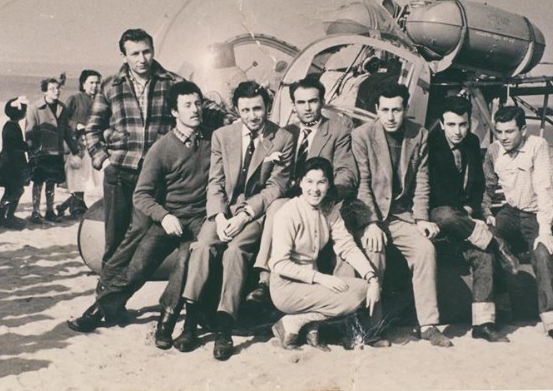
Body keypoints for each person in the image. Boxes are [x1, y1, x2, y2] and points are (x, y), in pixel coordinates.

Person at [67, 82, 213, 348]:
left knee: (184, 263)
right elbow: (142, 195)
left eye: (198, 103)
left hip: (201, 221)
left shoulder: (213, 142)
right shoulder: (161, 148)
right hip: (169, 217)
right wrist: (165, 216)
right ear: (173, 111)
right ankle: (99, 311)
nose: (195, 110)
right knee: (137, 267)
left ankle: (165, 323)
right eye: (187, 105)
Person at [175, 81, 293, 361]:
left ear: (267, 107)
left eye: (258, 109)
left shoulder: (283, 139)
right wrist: (218, 216)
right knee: (202, 246)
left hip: (254, 213)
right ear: (237, 110)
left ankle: (224, 328)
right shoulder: (222, 136)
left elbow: (276, 187)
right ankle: (190, 323)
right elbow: (215, 181)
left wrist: (243, 216)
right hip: (223, 212)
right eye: (246, 110)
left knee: (236, 252)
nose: (253, 116)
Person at [348, 83, 452, 348]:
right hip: (372, 215)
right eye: (385, 110)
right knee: (375, 252)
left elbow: (422, 181)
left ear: (406, 109)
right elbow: (363, 184)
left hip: (402, 216)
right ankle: (373, 329)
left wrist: (421, 218)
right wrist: (370, 223)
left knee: (425, 250)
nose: (391, 116)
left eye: (397, 110)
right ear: (376, 110)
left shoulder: (419, 135)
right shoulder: (362, 135)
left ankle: (428, 324)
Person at [247, 77, 358, 305]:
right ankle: (264, 278)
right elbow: (266, 174)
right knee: (276, 206)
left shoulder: (337, 130)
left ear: (322, 102)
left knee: (280, 208)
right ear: (293, 105)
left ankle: (268, 280)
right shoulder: (285, 132)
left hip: (320, 197)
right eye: (301, 103)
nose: (307, 108)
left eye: (312, 101)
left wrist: (329, 194)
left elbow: (347, 172)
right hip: (288, 198)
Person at [85, 29, 183, 267]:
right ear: (124, 56)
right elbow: (91, 130)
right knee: (115, 238)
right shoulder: (110, 86)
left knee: (144, 236)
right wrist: (105, 163)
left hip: (155, 174)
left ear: (153, 51)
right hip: (118, 173)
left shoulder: (173, 83)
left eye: (147, 52)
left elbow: (202, 108)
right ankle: (109, 298)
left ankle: (119, 291)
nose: (142, 59)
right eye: (135, 53)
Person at [428, 96, 518, 342]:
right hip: (438, 217)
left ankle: (483, 324)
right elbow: (434, 190)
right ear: (442, 123)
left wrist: (469, 208)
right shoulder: (430, 144)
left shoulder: (472, 142)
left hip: (465, 219)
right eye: (452, 125)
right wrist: (460, 213)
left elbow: (478, 184)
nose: (458, 131)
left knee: (483, 254)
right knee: (446, 214)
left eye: (463, 125)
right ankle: (497, 244)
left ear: (470, 123)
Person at [269, 157, 379, 351]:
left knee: (364, 288)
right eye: (309, 181)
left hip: (310, 286)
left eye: (321, 182)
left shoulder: (329, 210)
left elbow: (347, 246)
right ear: (300, 182)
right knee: (357, 294)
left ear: (329, 184)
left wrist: (372, 278)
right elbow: (278, 264)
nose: (315, 189)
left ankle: (306, 325)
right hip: (286, 287)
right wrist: (319, 278)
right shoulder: (288, 213)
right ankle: (295, 322)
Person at [482, 105, 553, 343]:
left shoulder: (537, 146)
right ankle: (502, 309)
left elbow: (544, 188)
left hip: (536, 212)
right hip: (511, 212)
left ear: (523, 129)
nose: (504, 137)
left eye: (509, 131)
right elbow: (488, 185)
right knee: (489, 240)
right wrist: (486, 210)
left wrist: (545, 230)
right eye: (499, 131)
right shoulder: (494, 150)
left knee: (543, 253)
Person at [25, 76, 78, 224]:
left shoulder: (63, 107)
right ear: (45, 91)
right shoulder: (34, 108)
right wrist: (31, 151)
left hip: (57, 151)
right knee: (38, 182)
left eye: (58, 88)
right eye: (52, 89)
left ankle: (49, 211)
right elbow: (29, 131)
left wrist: (74, 148)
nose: (56, 91)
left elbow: (67, 130)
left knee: (52, 182)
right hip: (41, 153)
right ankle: (35, 212)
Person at [59, 69, 102, 218]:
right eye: (91, 82)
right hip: (78, 144)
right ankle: (75, 207)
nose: (94, 86)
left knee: (90, 177)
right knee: (78, 177)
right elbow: (62, 120)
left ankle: (68, 205)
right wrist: (76, 124)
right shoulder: (75, 99)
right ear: (83, 84)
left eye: (97, 83)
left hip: (95, 145)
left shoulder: (101, 100)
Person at [0, 97, 29, 229]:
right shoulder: (12, 127)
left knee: (13, 190)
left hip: (9, 162)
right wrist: (28, 146)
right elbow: (17, 145)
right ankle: (4, 217)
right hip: (13, 164)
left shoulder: (10, 125)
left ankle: (5, 216)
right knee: (14, 190)